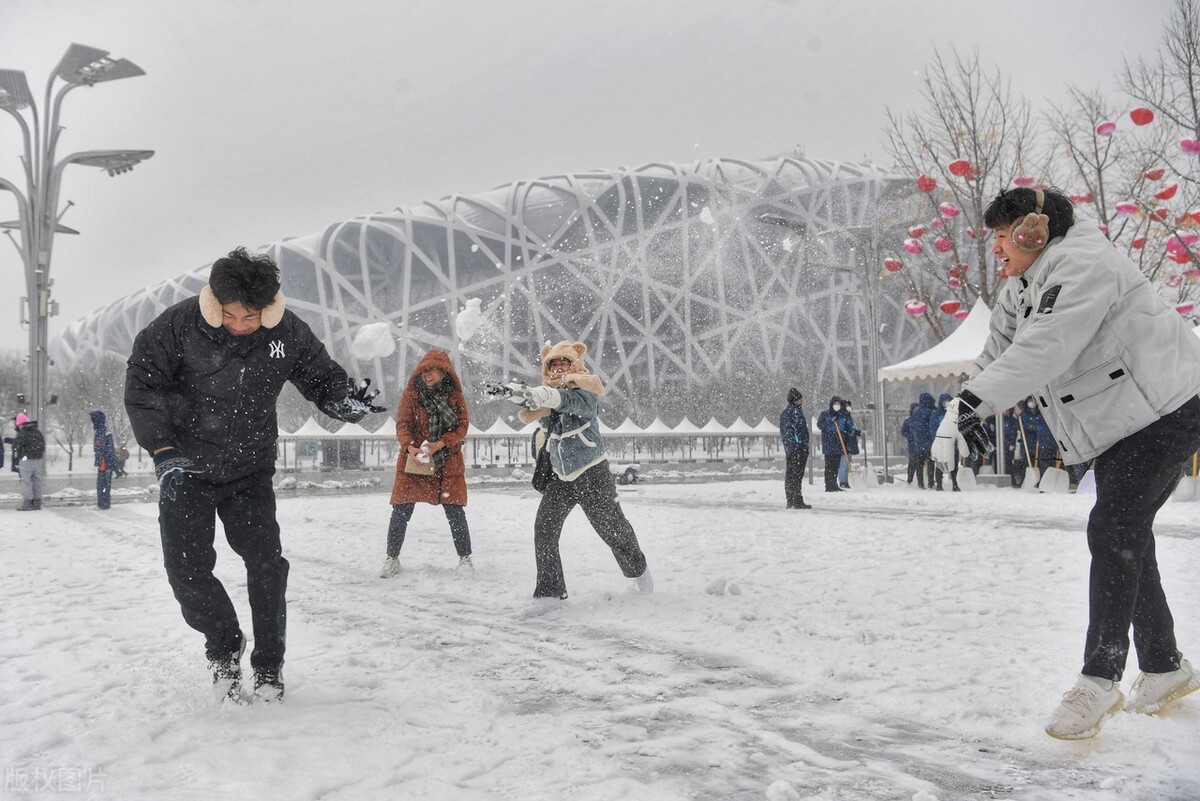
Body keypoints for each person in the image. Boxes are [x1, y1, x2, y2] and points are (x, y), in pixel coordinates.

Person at [932, 186, 1200, 740]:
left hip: (1167, 407)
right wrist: (969, 410)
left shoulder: (1084, 264)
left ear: (1035, 231)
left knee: (1114, 525)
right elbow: (1000, 353)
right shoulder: (1019, 288)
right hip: (1121, 421)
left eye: (1004, 238)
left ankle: (1099, 678)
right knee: (1126, 533)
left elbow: (1047, 346)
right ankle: (1164, 665)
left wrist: (972, 405)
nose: (998, 251)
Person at [124, 247, 385, 704]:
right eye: (233, 316)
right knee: (185, 571)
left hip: (250, 470)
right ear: (214, 303)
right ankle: (224, 646)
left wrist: (346, 402)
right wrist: (163, 449)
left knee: (267, 567)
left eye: (254, 316)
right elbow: (144, 385)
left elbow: (321, 376)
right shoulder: (177, 326)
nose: (244, 325)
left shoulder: (286, 331)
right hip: (186, 469)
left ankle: (269, 668)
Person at [504, 340, 652, 615]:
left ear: (575, 365)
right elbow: (549, 415)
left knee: (612, 529)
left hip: (591, 471)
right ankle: (549, 593)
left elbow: (570, 403)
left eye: (564, 363)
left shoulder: (586, 390)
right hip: (562, 476)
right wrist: (524, 398)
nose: (559, 368)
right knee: (544, 529)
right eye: (554, 364)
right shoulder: (550, 394)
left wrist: (545, 397)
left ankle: (639, 571)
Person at [379, 349, 473, 578]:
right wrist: (410, 447)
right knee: (400, 510)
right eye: (423, 370)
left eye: (431, 370)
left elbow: (462, 427)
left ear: (443, 371)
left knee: (455, 511)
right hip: (415, 461)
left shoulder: (454, 396)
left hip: (446, 461)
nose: (426, 375)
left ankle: (465, 560)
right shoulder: (412, 395)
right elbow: (402, 424)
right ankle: (391, 559)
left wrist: (441, 444)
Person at [778, 387, 812, 509]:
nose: (801, 400)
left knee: (793, 474)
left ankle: (792, 500)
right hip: (797, 448)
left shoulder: (792, 412)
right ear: (796, 399)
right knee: (795, 475)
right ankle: (795, 500)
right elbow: (790, 432)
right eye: (799, 398)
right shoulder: (793, 412)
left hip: (795, 448)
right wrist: (798, 445)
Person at [816, 396, 857, 492]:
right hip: (829, 444)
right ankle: (829, 485)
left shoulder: (842, 415)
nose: (837, 406)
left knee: (836, 466)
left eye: (838, 404)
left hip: (839, 444)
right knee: (829, 466)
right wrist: (830, 422)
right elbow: (820, 425)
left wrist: (854, 432)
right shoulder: (825, 414)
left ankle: (834, 484)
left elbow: (847, 427)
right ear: (832, 404)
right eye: (835, 404)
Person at [11, 413, 45, 511]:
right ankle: (37, 503)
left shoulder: (23, 432)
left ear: (19, 423)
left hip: (26, 460)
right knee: (36, 481)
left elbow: (16, 445)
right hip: (38, 460)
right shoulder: (37, 431)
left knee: (26, 482)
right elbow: (42, 445)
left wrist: (16, 447)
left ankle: (27, 503)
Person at [929, 393, 960, 491]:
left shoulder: (954, 413)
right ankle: (939, 484)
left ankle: (955, 484)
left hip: (952, 444)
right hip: (941, 444)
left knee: (954, 466)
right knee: (940, 465)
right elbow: (933, 429)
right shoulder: (936, 414)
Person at [90, 410, 119, 510]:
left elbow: (100, 449)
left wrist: (100, 461)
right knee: (106, 484)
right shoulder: (106, 430)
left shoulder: (100, 432)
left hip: (104, 463)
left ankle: (103, 503)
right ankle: (105, 503)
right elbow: (108, 448)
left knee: (102, 484)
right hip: (108, 462)